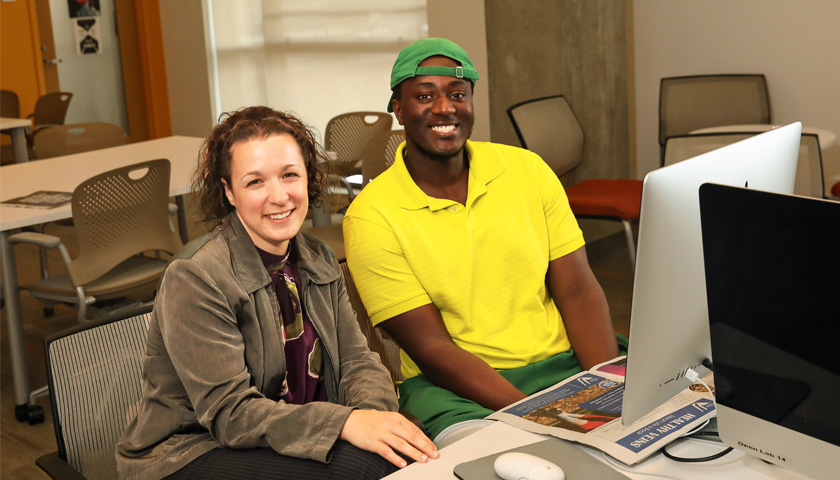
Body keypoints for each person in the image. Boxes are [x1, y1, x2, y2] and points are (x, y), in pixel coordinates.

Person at [116, 106, 437, 479]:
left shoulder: (318, 257)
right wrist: (347, 424)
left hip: (291, 429)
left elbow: (357, 361)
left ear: (308, 178)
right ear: (229, 192)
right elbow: (230, 414)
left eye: (289, 175)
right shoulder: (196, 276)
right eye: (255, 182)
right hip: (192, 448)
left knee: (403, 450)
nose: (279, 196)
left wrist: (373, 418)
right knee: (365, 467)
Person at [343, 38, 625, 445]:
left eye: (458, 94)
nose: (444, 108)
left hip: (568, 364)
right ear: (399, 110)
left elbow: (578, 291)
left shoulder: (526, 169)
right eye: (425, 96)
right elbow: (433, 348)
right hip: (459, 390)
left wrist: (607, 385)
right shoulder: (371, 216)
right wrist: (542, 419)